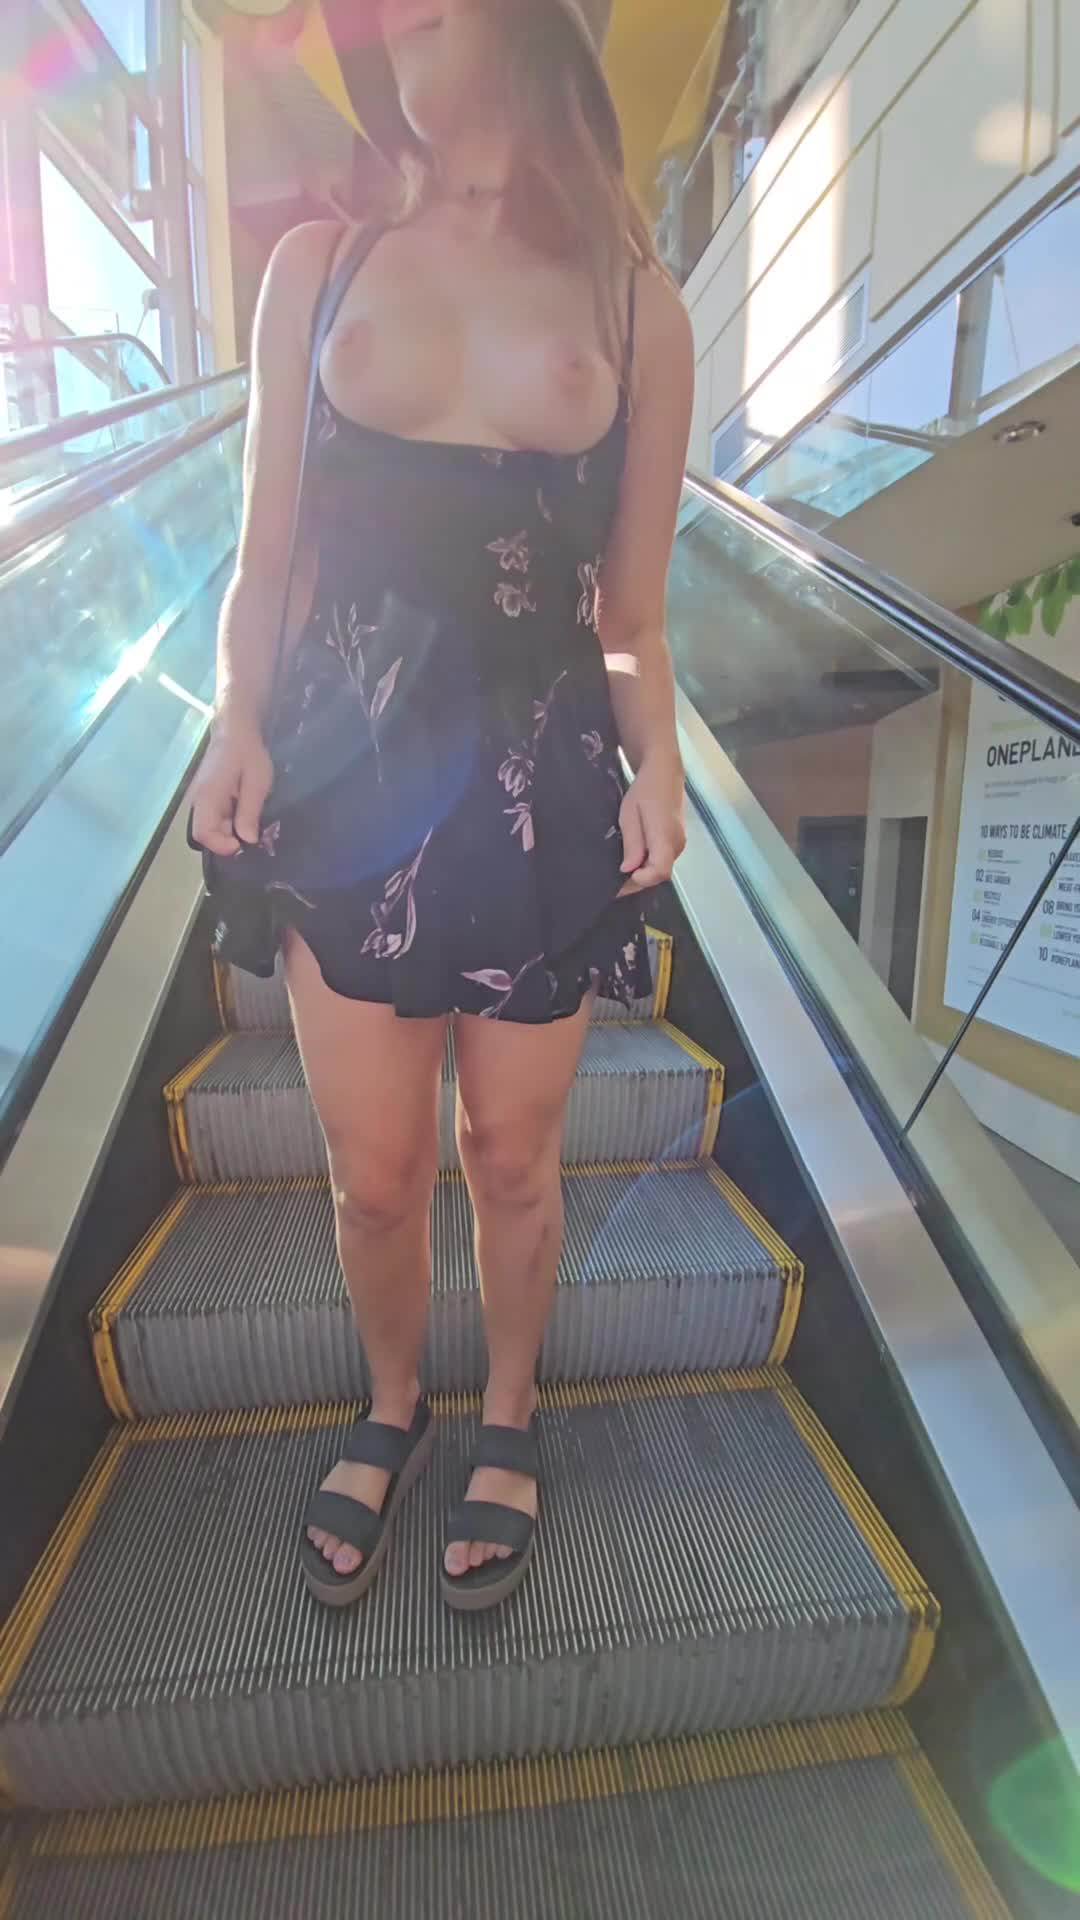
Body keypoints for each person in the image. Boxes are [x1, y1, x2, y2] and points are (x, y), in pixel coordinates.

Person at [190, 0, 692, 1612]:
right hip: (344, 780)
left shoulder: (637, 300)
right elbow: (268, 559)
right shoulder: (318, 266)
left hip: (542, 789)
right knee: (377, 1172)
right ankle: (394, 1401)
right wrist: (237, 719)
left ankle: (510, 1407)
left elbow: (633, 612)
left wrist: (661, 757)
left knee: (515, 1155)